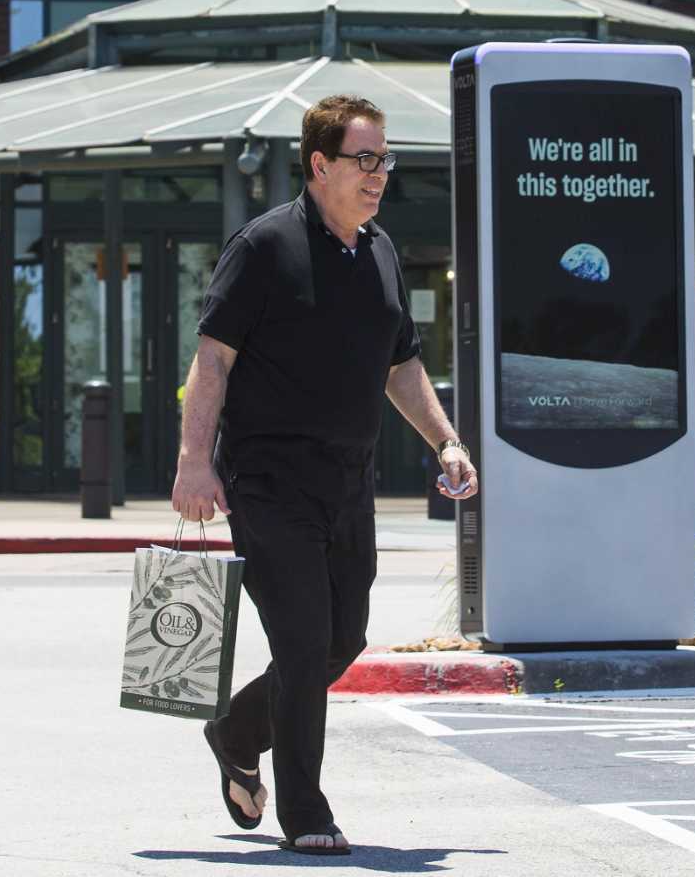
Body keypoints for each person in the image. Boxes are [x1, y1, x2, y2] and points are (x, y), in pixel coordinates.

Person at [171, 93, 478, 856]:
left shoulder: (378, 250)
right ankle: (306, 811)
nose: (379, 174)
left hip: (349, 480)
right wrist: (193, 460)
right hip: (268, 482)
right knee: (306, 642)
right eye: (364, 159)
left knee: (343, 637)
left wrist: (447, 441)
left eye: (385, 160)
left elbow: (401, 365)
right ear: (319, 165)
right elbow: (213, 358)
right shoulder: (265, 246)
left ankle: (237, 732)